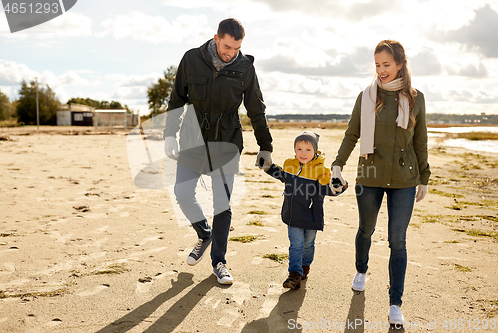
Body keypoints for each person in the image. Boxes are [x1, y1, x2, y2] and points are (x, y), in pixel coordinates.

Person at [163, 18, 273, 285]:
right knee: (182, 192)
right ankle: (204, 233)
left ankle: (219, 261)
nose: (231, 53)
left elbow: (256, 108)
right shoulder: (191, 59)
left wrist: (265, 146)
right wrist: (169, 135)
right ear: (216, 38)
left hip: (227, 142)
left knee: (222, 204)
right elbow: (177, 98)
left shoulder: (245, 67)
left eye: (236, 48)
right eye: (227, 47)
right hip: (192, 139)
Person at [330, 40, 430, 324]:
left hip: (404, 178)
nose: (381, 70)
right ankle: (361, 270)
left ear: (400, 64)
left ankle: (395, 303)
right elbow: (352, 134)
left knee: (398, 240)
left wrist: (424, 176)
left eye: (386, 65)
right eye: (377, 65)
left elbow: (420, 140)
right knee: (366, 230)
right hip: (370, 175)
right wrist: (338, 164)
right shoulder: (367, 96)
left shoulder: (415, 98)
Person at [265, 131, 347, 290]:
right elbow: (280, 175)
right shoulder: (290, 164)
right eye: (299, 149)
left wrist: (339, 186)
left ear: (315, 151)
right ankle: (294, 274)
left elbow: (329, 189)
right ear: (294, 150)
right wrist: (267, 166)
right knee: (296, 244)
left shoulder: (321, 170)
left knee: (308, 244)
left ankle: (305, 265)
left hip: (311, 215)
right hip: (292, 215)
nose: (303, 153)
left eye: (308, 150)